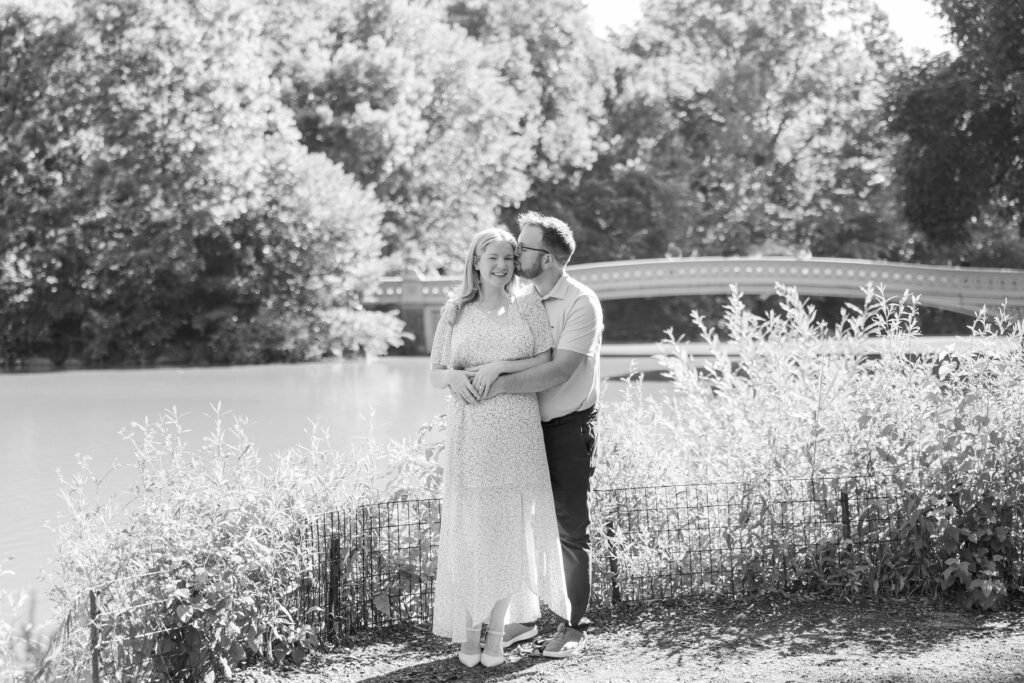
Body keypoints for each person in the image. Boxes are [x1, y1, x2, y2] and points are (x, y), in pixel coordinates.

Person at [429, 227, 570, 668]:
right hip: (472, 432)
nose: (502, 265)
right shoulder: (455, 310)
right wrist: (453, 377)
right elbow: (436, 370)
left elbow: (546, 359)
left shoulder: (527, 306)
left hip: (517, 432)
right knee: (474, 535)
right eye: (492, 257)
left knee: (510, 534)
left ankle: (495, 639)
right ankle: (469, 636)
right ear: (475, 261)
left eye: (509, 257)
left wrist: (500, 366)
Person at [483, 211, 603, 659]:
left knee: (571, 529)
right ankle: (525, 620)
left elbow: (559, 370)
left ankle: (573, 626)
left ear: (548, 259)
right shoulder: (520, 300)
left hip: (569, 430)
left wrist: (491, 386)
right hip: (521, 428)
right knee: (519, 527)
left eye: (523, 248)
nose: (514, 254)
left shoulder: (581, 302)